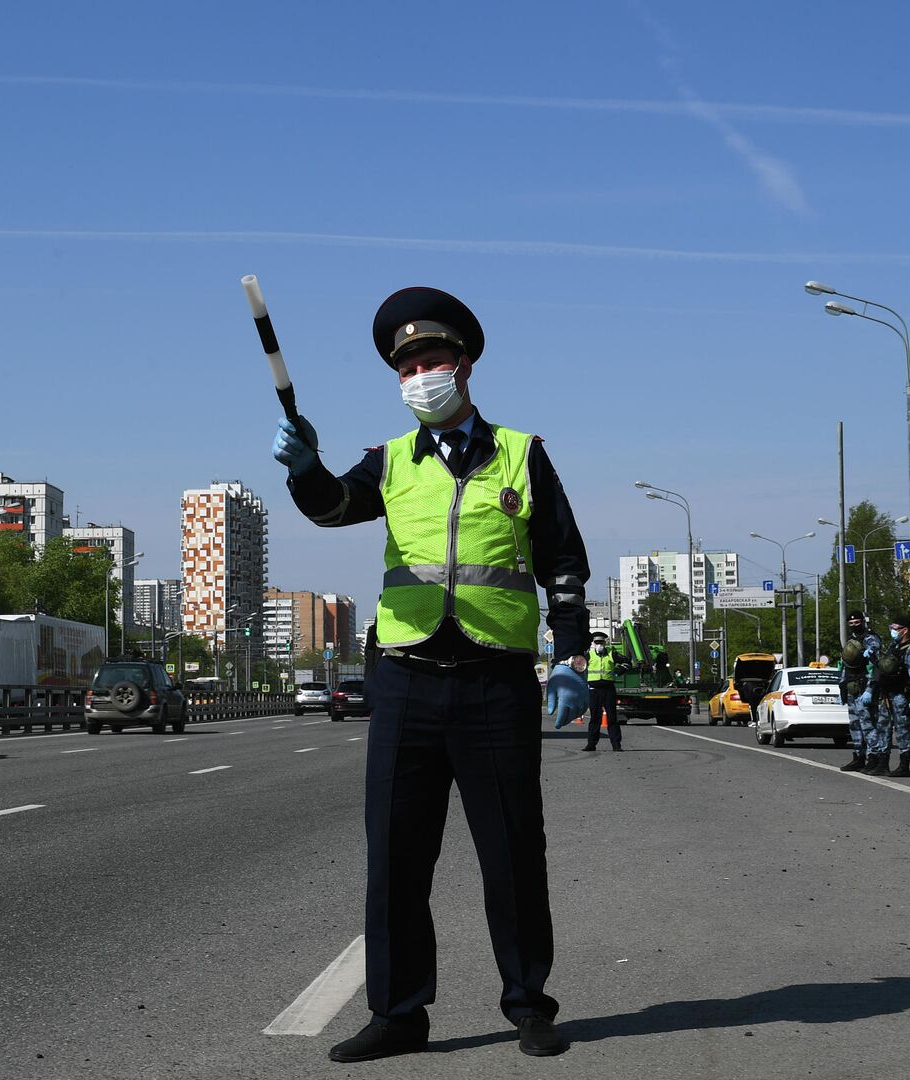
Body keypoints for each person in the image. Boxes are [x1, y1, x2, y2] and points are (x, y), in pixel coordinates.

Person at [273, 285, 587, 1062]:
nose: (419, 373)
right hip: (407, 681)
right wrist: (307, 468)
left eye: (431, 358)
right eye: (406, 365)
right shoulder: (388, 463)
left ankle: (528, 1004)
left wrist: (574, 657)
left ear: (464, 363)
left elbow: (564, 566)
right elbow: (332, 507)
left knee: (513, 853)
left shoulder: (522, 454)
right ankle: (398, 1015)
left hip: (494, 684)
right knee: (395, 859)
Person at [863, 615, 910, 777]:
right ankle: (883, 763)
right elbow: (882, 668)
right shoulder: (894, 647)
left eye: (895, 628)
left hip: (900, 694)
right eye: (891, 628)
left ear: (905, 630)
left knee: (901, 730)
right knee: (883, 728)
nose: (892, 631)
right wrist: (872, 656)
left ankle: (904, 765)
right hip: (886, 693)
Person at [838, 611, 881, 772]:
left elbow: (875, 667)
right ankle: (858, 757)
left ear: (863, 621)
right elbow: (846, 666)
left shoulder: (871, 639)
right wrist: (842, 687)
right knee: (855, 725)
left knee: (868, 725)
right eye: (851, 623)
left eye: (857, 622)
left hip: (865, 688)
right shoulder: (851, 641)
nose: (855, 625)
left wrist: (870, 689)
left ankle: (874, 757)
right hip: (852, 687)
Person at [583, 630, 622, 751]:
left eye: (601, 642)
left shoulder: (612, 653)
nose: (599, 644)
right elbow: (578, 665)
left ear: (604, 643)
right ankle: (591, 744)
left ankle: (616, 745)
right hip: (594, 690)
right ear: (593, 643)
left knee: (612, 718)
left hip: (608, 689)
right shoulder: (588, 654)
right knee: (595, 718)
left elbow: (626, 662)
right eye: (597, 642)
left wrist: (620, 671)